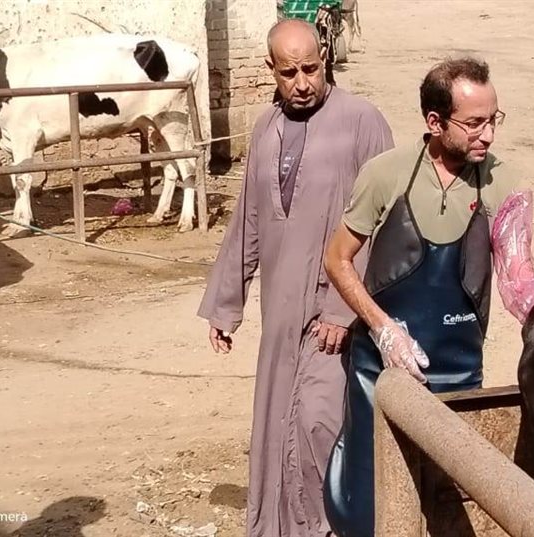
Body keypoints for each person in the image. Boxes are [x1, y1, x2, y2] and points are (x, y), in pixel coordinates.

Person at [196, 19, 393, 537]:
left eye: (311, 68)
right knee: (278, 421)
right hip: (281, 311)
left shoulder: (362, 122)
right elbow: (248, 220)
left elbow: (383, 224)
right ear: (271, 70)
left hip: (336, 318)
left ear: (324, 58)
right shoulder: (265, 127)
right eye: (290, 73)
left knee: (318, 424)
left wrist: (342, 310)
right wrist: (226, 305)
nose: (303, 82)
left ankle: (328, 528)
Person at [320, 56, 518, 537]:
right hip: (380, 372)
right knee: (371, 501)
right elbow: (337, 259)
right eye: (474, 123)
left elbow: (520, 272)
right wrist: (384, 329)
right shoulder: (385, 175)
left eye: (494, 119)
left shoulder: (504, 183)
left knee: (448, 504)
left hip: (460, 375)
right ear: (435, 122)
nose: (489, 135)